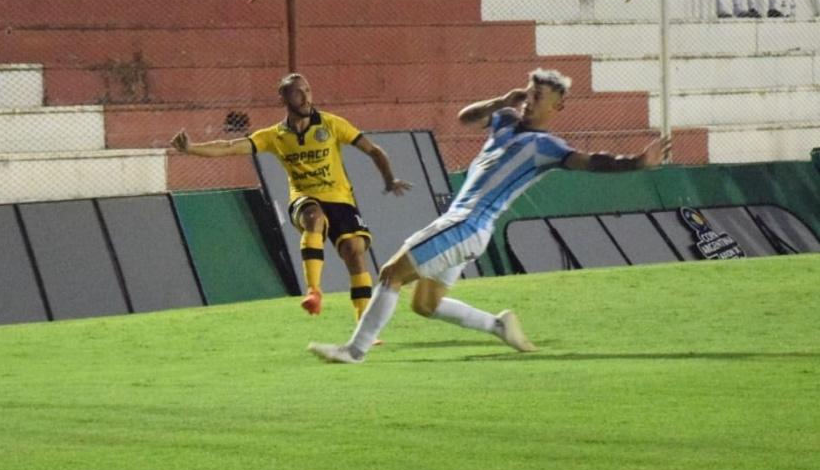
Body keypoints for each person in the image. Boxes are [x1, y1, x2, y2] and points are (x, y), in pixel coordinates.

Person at [308, 68, 671, 364]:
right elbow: (466, 117)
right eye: (529, 94)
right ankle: (498, 325)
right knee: (425, 304)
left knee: (390, 273)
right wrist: (501, 100)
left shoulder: (548, 147)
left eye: (539, 98)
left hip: (467, 224)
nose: (530, 103)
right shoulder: (506, 121)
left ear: (558, 107)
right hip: (466, 226)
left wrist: (637, 163)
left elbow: (593, 162)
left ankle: (354, 351)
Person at [171, 73, 411, 323]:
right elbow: (229, 147)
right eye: (298, 92)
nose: (306, 97)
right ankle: (314, 292)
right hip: (304, 199)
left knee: (354, 253)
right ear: (283, 98)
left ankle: (365, 328)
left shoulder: (332, 124)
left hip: (340, 199)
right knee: (313, 217)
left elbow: (373, 150)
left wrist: (390, 179)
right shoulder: (274, 136)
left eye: (308, 90)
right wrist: (191, 148)